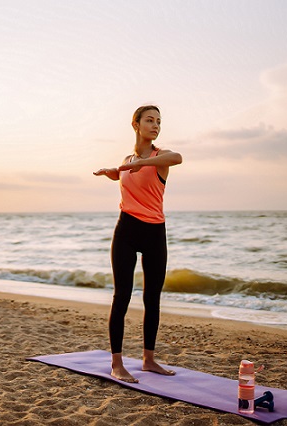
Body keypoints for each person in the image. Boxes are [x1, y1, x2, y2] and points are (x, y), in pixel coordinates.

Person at [93, 105, 183, 383]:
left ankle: (149, 359)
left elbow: (179, 157)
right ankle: (117, 364)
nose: (155, 125)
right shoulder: (127, 159)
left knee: (151, 298)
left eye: (158, 121)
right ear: (136, 124)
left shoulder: (161, 158)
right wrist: (114, 172)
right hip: (127, 229)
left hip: (155, 232)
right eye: (149, 120)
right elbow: (127, 176)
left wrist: (139, 164)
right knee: (122, 296)